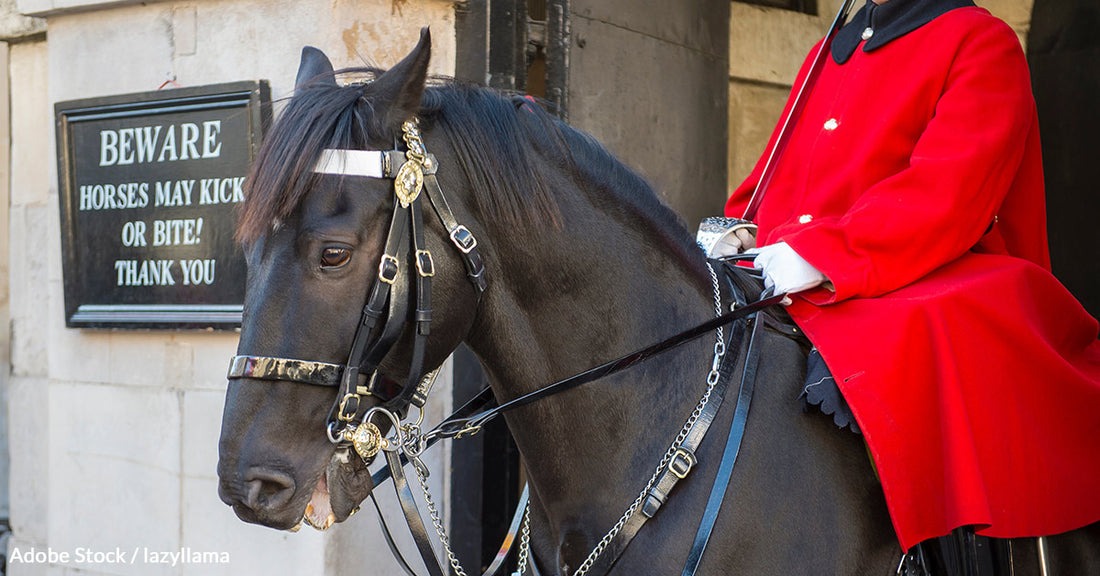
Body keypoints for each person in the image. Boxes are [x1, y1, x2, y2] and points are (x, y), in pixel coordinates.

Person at [706, 0, 1100, 573]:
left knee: (911, 338)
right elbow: (769, 181)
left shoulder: (980, 39)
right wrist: (737, 232)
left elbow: (949, 193)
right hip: (807, 275)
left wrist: (823, 256)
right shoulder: (825, 54)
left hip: (931, 274)